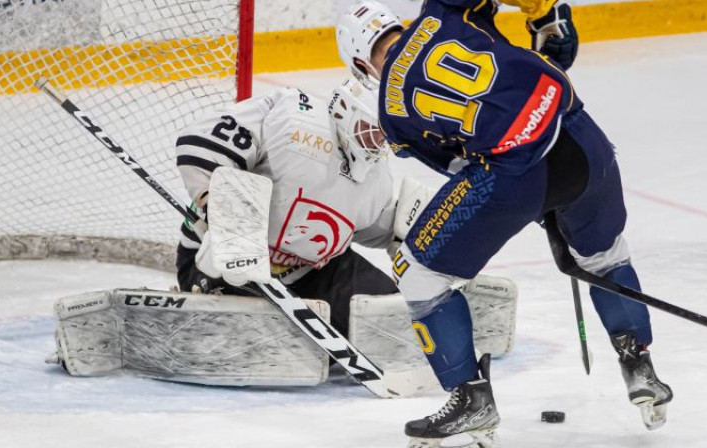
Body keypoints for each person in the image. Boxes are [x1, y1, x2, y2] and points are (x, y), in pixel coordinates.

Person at [337, 0, 672, 445]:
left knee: (418, 272)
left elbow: (461, 168)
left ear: (363, 64)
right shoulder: (442, 9)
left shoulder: (392, 113)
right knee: (604, 254)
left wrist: (531, 202)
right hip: (579, 134)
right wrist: (544, 16)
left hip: (514, 177)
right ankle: (639, 364)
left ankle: (470, 399)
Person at [174, 77, 398, 338]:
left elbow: (370, 225)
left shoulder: (376, 176)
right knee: (248, 339)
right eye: (371, 128)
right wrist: (226, 218)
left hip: (310, 272)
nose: (378, 141)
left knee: (389, 317)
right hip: (221, 263)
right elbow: (199, 141)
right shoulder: (294, 116)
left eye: (386, 134)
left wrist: (411, 234)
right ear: (345, 110)